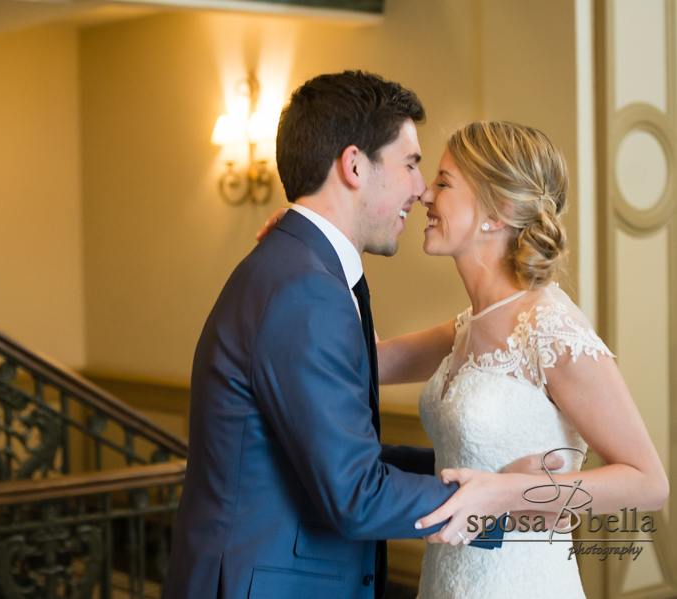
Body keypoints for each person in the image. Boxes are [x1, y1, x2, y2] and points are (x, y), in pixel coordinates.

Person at [161, 72, 550, 599]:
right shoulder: (304, 288)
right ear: (353, 166)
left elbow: (335, 451)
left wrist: (480, 474)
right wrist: (503, 506)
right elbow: (356, 493)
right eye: (411, 164)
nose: (421, 188)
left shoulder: (299, 268)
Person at [258, 121, 669, 598]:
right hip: (447, 580)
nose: (425, 194)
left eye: (444, 183)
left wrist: (504, 492)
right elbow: (365, 361)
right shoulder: (465, 327)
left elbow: (648, 482)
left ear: (498, 213)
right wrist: (317, 246)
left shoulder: (552, 328)